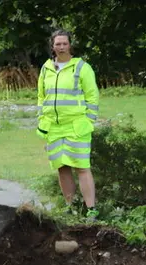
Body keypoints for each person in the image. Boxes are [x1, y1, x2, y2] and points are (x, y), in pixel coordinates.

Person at [37, 29, 99, 218]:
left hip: (77, 126)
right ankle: (70, 208)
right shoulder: (46, 68)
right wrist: (42, 120)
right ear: (52, 46)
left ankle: (91, 210)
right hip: (54, 128)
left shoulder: (82, 67)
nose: (62, 47)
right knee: (62, 167)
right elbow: (41, 97)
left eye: (65, 43)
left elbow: (92, 96)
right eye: (58, 44)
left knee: (82, 167)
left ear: (70, 45)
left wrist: (89, 121)